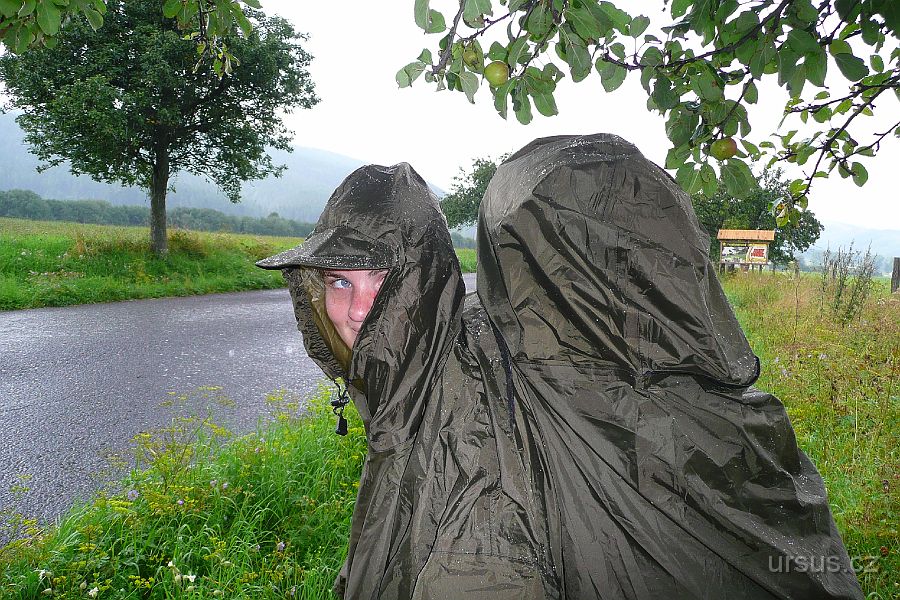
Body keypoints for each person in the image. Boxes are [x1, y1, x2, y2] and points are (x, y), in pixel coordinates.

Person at [257, 135, 863, 599]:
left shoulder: (482, 404)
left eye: (382, 279)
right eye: (338, 281)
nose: (359, 310)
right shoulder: (736, 409)